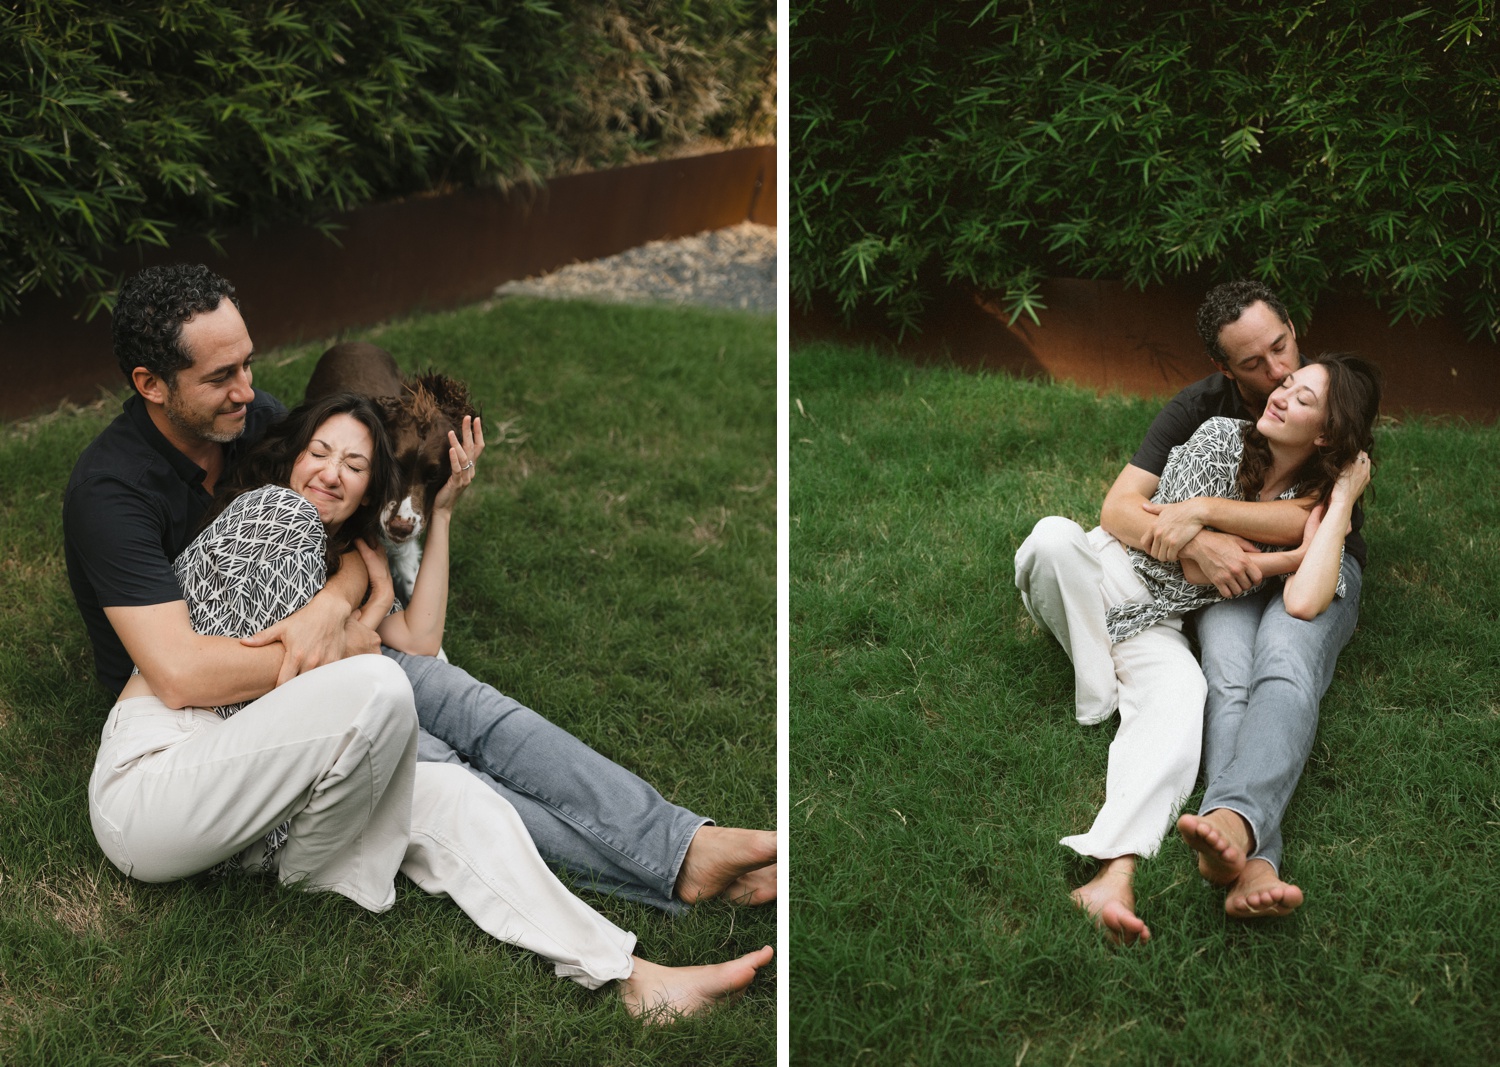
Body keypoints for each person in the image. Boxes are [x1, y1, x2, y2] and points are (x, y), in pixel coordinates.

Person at [62, 265, 773, 989]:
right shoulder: (111, 491)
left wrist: (338, 605)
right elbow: (179, 673)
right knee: (404, 715)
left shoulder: (253, 426)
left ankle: (652, 922)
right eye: (221, 376)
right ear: (152, 383)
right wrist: (344, 645)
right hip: (182, 740)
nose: (249, 390)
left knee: (463, 728)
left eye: (248, 363)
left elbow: (345, 546)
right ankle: (664, 865)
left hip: (286, 709)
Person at [167, 391, 769, 1016]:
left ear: (372, 484)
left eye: (353, 464)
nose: (330, 472)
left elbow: (421, 641)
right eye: (318, 453)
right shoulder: (271, 523)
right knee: (456, 777)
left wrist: (444, 513)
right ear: (293, 458)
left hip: (371, 666)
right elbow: (299, 672)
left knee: (483, 712)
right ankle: (678, 870)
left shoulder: (352, 544)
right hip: (318, 710)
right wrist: (363, 610)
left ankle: (684, 846)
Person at [1016, 347, 1380, 943]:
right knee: (1053, 540)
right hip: (1108, 574)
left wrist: (1235, 540)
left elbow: (1279, 551)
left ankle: (1114, 873)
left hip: (1158, 618)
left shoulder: (1307, 502)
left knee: (1185, 697)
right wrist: (1214, 546)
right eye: (1285, 384)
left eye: (1302, 397)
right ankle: (1099, 685)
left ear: (1326, 434)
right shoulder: (1218, 436)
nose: (1280, 392)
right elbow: (1163, 537)